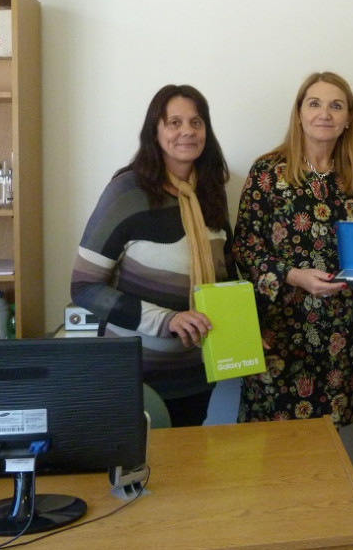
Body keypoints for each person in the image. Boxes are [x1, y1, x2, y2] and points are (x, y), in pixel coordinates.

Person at [71, 84, 233, 427]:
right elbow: (84, 287)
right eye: (174, 122)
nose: (187, 130)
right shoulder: (126, 193)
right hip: (135, 379)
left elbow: (224, 277)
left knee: (186, 474)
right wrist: (167, 319)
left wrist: (243, 327)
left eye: (196, 121)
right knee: (135, 477)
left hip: (197, 375)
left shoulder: (210, 194)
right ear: (155, 132)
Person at [233, 71, 353, 427]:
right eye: (315, 103)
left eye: (336, 106)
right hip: (279, 332)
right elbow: (244, 250)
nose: (325, 113)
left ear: (348, 119)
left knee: (328, 450)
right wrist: (293, 276)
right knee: (271, 453)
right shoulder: (267, 172)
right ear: (298, 114)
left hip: (338, 333)